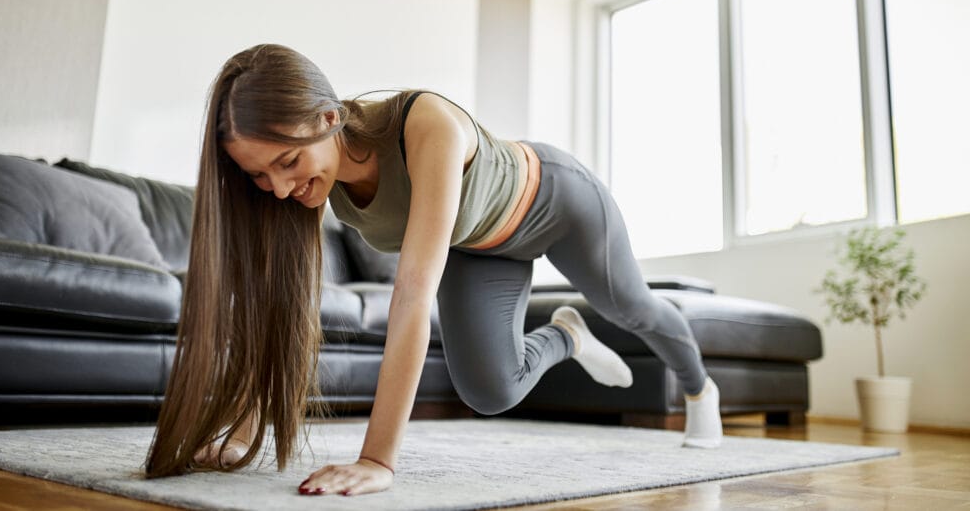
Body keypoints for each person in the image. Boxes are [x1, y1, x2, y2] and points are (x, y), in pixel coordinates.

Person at [143, 43, 722, 495]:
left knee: (631, 307)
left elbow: (413, 297)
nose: (279, 188)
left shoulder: (426, 125)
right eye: (260, 176)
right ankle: (566, 337)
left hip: (558, 205)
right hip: (480, 246)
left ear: (329, 116)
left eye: (288, 161)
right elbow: (281, 306)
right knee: (492, 392)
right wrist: (241, 434)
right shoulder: (308, 192)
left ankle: (701, 391)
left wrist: (377, 460)